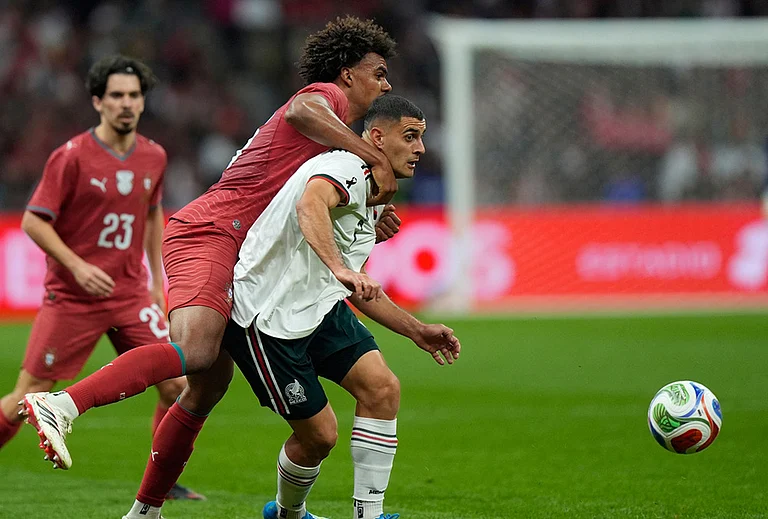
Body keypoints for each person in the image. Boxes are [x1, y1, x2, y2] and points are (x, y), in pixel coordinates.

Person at [22, 15, 400, 515]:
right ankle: (62, 404)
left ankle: (144, 511)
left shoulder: (335, 137)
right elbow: (301, 110)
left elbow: (308, 199)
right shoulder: (325, 98)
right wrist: (369, 155)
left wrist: (371, 209)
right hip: (212, 231)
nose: (387, 83)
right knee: (196, 351)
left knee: (204, 391)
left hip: (239, 248)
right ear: (349, 75)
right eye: (378, 72)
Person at [225, 94, 460, 519]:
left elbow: (356, 287)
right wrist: (342, 268)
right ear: (375, 138)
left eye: (422, 138)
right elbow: (309, 204)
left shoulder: (374, 195)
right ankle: (288, 515)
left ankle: (367, 515)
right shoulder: (346, 166)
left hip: (320, 307)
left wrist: (416, 329)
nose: (420, 148)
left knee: (382, 388)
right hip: (268, 317)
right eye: (409, 137)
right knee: (319, 437)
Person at [2, 54, 202, 500]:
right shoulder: (70, 157)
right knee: (25, 398)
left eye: (134, 95)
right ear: (98, 101)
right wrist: (77, 265)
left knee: (178, 385)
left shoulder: (155, 156)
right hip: (72, 296)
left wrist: (155, 280)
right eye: (116, 96)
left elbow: (153, 215)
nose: (126, 104)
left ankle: (161, 484)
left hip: (129, 292)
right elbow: (35, 221)